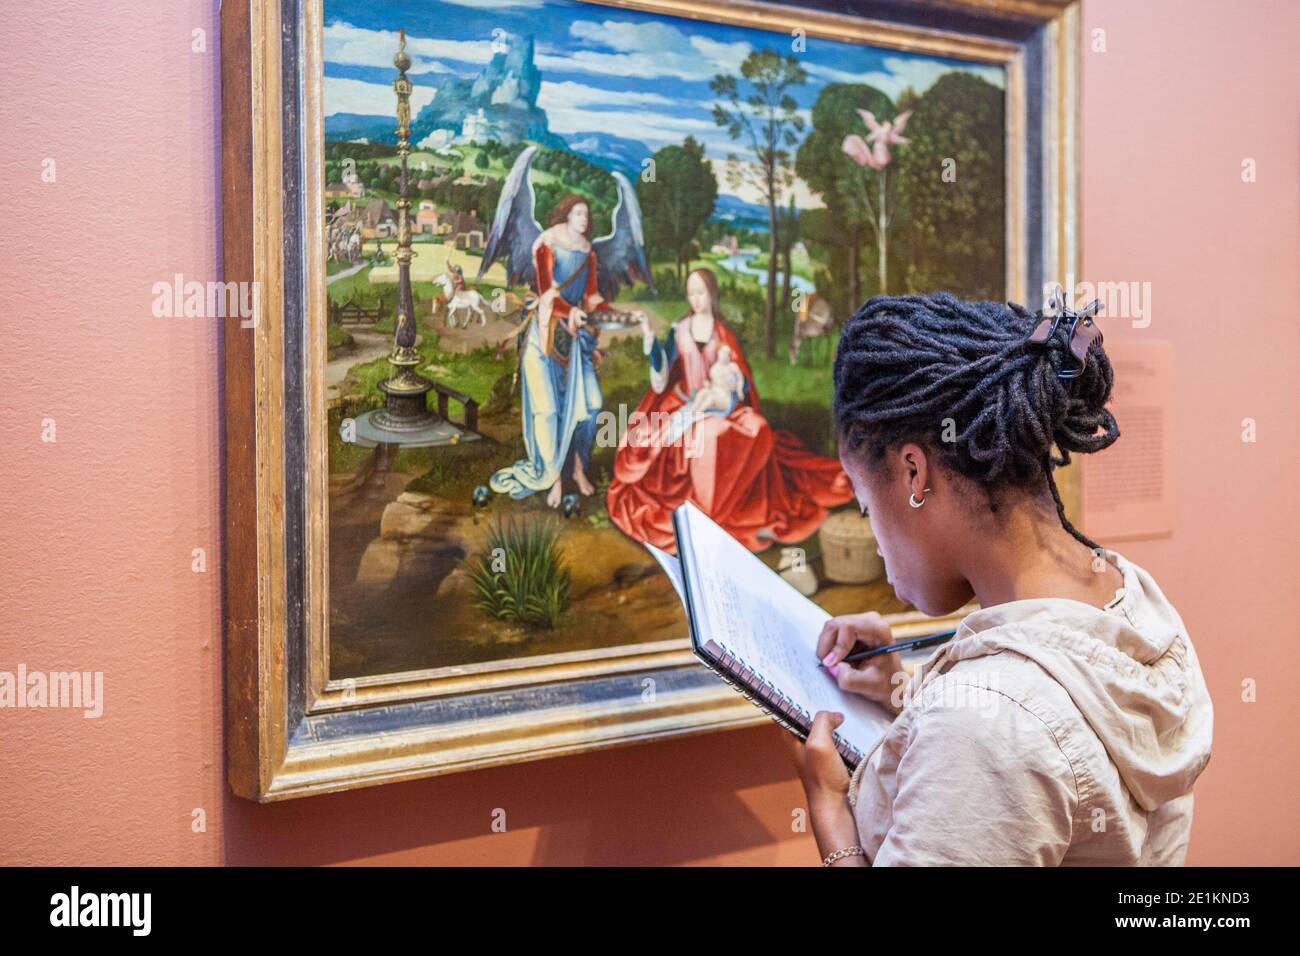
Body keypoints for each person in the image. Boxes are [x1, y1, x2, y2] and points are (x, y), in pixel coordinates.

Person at [785, 292, 1214, 866]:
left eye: (866, 508)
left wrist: (832, 816)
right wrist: (902, 698)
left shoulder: (982, 728)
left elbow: (1002, 742)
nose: (877, 542)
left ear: (914, 472)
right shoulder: (1127, 594)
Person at [606, 267, 852, 552]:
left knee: (756, 427)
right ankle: (707, 512)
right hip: (686, 403)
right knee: (708, 436)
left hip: (723, 406)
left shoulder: (723, 334)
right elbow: (661, 380)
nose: (696, 299)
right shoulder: (680, 330)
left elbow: (742, 384)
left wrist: (731, 392)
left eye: (701, 292)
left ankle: (725, 505)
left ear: (711, 294)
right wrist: (651, 347)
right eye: (691, 293)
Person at [489, 195, 625, 508]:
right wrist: (570, 311)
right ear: (564, 215)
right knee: (548, 411)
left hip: (575, 339)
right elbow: (548, 292)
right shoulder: (546, 243)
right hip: (545, 334)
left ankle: (577, 467)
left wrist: (616, 315)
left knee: (592, 406)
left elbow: (591, 296)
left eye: (586, 214)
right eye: (577, 212)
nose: (583, 219)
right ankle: (552, 478)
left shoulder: (588, 252)